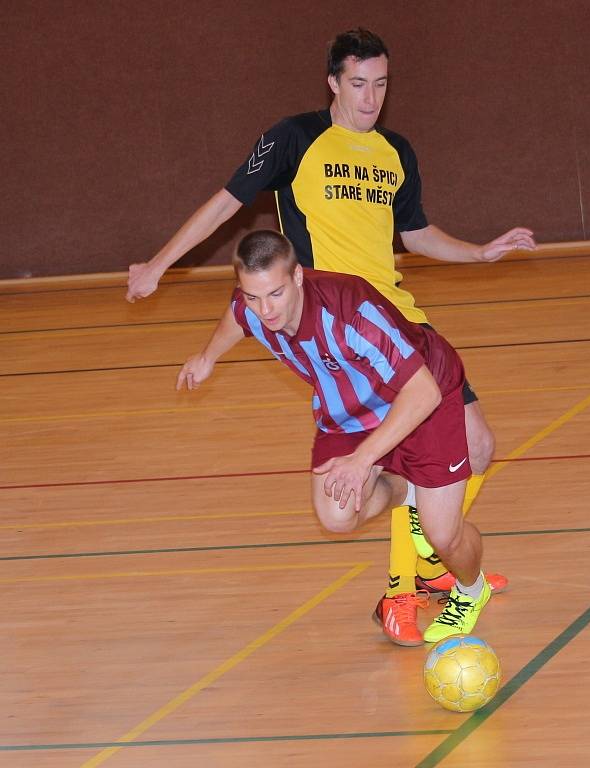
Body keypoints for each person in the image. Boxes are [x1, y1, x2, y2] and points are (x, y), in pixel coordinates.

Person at [126, 28, 536, 646]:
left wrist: (478, 253)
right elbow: (227, 202)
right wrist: (160, 264)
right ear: (333, 83)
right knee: (398, 458)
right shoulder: (295, 137)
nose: (371, 98)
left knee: (476, 447)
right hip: (336, 330)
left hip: (396, 321)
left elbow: (416, 233)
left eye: (381, 84)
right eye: (358, 84)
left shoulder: (396, 151)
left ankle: (429, 563)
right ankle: (403, 587)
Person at [178, 229, 492, 644]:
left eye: (274, 294)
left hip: (421, 392)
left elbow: (423, 393)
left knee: (443, 535)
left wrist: (364, 460)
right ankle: (413, 493)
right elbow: (236, 319)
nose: (265, 310)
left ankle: (472, 591)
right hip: (350, 405)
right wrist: (207, 357)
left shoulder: (350, 312)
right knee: (336, 513)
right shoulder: (251, 305)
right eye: (253, 296)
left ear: (298, 278)